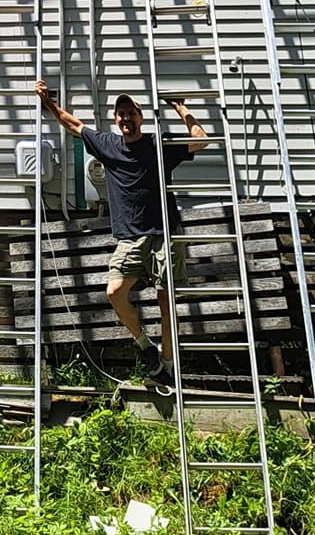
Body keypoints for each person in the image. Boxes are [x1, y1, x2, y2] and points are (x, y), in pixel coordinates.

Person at [34, 79, 209, 392]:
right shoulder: (107, 144)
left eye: (131, 113)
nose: (126, 118)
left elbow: (201, 139)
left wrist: (181, 108)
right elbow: (71, 123)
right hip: (129, 237)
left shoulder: (158, 146)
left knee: (164, 298)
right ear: (116, 119)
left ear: (140, 117)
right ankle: (146, 348)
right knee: (115, 291)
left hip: (163, 232)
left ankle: (167, 367)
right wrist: (48, 102)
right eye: (121, 113)